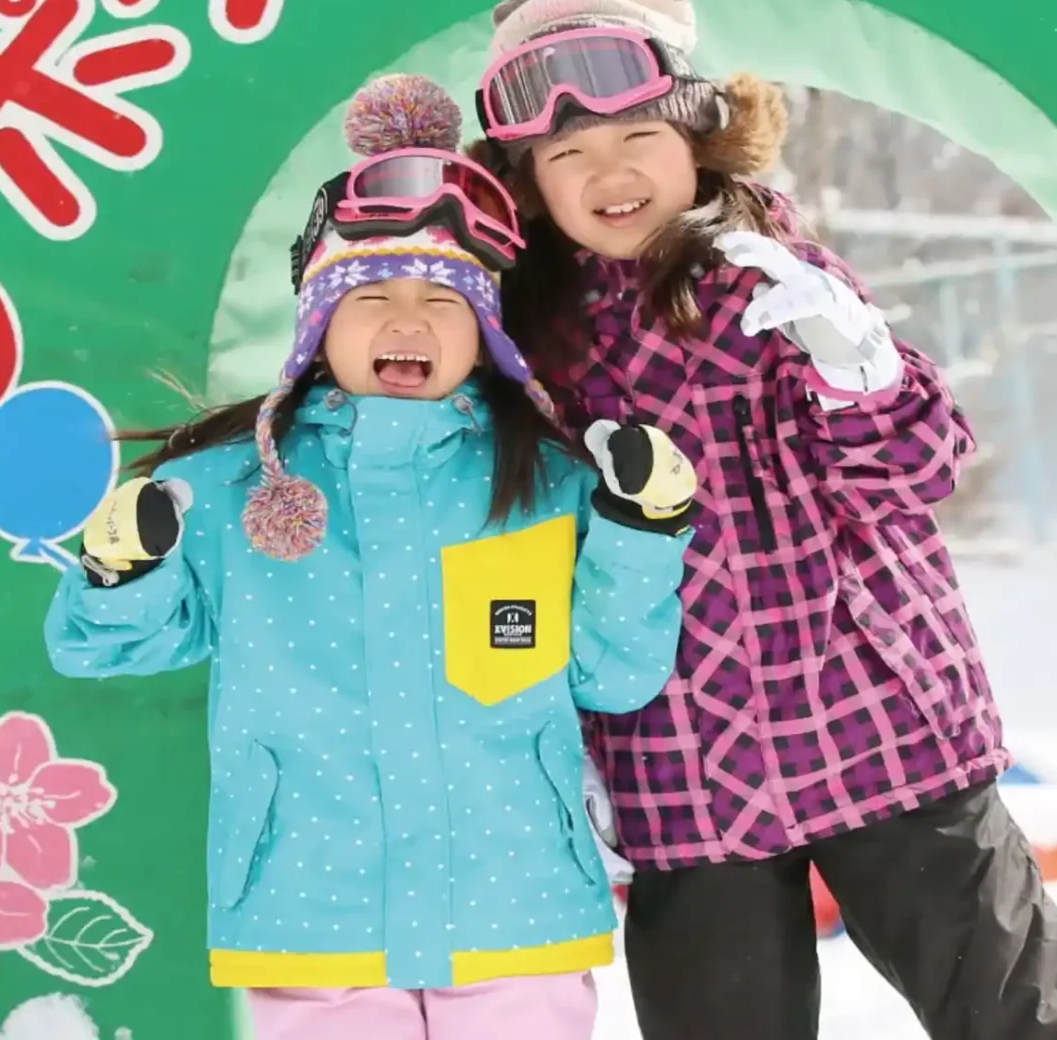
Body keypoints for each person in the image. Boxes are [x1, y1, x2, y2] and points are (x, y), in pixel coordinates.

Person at [469, 0, 1057, 1040]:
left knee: (1022, 1013)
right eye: (568, 153)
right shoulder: (526, 339)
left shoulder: (770, 279)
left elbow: (920, 467)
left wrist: (853, 362)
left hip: (876, 716)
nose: (609, 172)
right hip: (678, 754)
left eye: (638, 135)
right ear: (531, 186)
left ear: (696, 139)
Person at [45, 73, 701, 1040]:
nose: (408, 322)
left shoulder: (543, 481)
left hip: (512, 904)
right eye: (373, 296)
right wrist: (120, 572)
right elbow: (100, 648)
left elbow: (613, 674)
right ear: (317, 326)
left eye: (443, 299)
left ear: (484, 333)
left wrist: (640, 532)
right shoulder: (234, 490)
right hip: (313, 907)